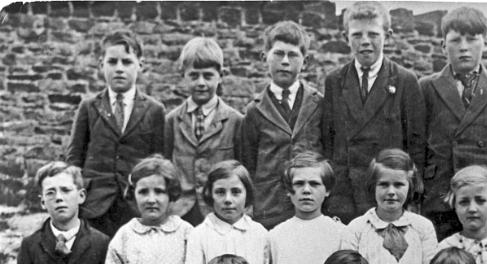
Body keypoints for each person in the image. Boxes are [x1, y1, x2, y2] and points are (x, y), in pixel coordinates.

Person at [321, 0, 425, 223]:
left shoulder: (405, 81)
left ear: (387, 35)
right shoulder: (334, 81)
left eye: (373, 34)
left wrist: (412, 196)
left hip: (388, 194)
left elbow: (416, 145)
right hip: (344, 194)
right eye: (357, 35)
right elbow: (328, 140)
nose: (365, 42)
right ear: (345, 37)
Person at [420, 6, 487, 239]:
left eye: (472, 39)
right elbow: (417, 141)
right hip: (441, 194)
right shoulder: (426, 87)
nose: (463, 47)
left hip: (483, 194)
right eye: (455, 40)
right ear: (443, 46)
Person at [66, 29, 165, 237]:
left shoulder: (154, 110)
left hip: (135, 205)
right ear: (101, 64)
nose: (119, 69)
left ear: (141, 65)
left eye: (127, 62)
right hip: (95, 206)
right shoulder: (89, 107)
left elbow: (159, 162)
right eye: (112, 62)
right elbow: (74, 159)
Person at [241, 20, 323, 230]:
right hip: (269, 208)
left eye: (293, 55)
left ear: (305, 61)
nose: (285, 61)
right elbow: (248, 163)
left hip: (309, 207)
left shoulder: (319, 104)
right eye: (278, 54)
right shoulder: (254, 110)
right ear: (264, 57)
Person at [164, 37, 243, 226]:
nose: (201, 82)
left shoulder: (235, 121)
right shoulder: (171, 120)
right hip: (182, 213)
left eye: (208, 76)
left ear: (221, 75)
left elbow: (242, 171)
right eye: (194, 75)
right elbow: (166, 168)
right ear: (183, 75)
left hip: (220, 210)